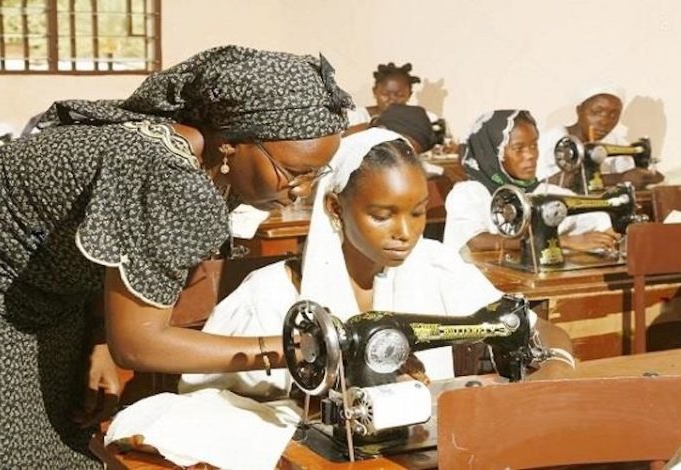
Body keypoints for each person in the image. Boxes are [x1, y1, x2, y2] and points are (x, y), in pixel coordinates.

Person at [0, 45, 352, 468]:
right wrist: (287, 352)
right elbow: (139, 343)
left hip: (42, 280)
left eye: (317, 173)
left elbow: (114, 254)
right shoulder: (171, 176)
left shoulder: (207, 164)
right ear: (234, 143)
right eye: (294, 171)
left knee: (64, 435)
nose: (302, 188)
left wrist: (97, 335)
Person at [180, 128, 574, 399]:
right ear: (336, 207)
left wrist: (555, 371)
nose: (405, 232)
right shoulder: (270, 295)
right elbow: (204, 398)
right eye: (383, 215)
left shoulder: (436, 266)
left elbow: (537, 330)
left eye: (418, 213)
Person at [444, 110, 620, 254]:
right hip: (472, 285)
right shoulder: (469, 193)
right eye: (518, 149)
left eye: (534, 145)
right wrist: (562, 242)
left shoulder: (545, 191)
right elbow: (477, 241)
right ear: (491, 154)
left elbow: (595, 219)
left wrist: (607, 236)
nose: (531, 155)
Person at [536, 84, 664, 191]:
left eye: (614, 115)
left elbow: (631, 179)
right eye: (596, 112)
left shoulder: (615, 141)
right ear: (579, 110)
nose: (605, 121)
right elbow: (544, 186)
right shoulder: (549, 141)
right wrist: (619, 179)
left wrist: (648, 176)